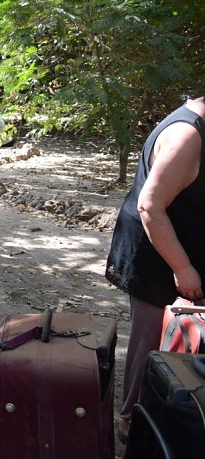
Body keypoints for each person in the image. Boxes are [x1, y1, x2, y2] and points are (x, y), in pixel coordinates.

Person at [105, 94, 205, 443]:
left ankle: (174, 419)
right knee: (151, 343)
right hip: (158, 259)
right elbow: (150, 206)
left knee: (177, 347)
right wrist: (183, 267)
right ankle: (132, 424)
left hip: (181, 252)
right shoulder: (187, 135)